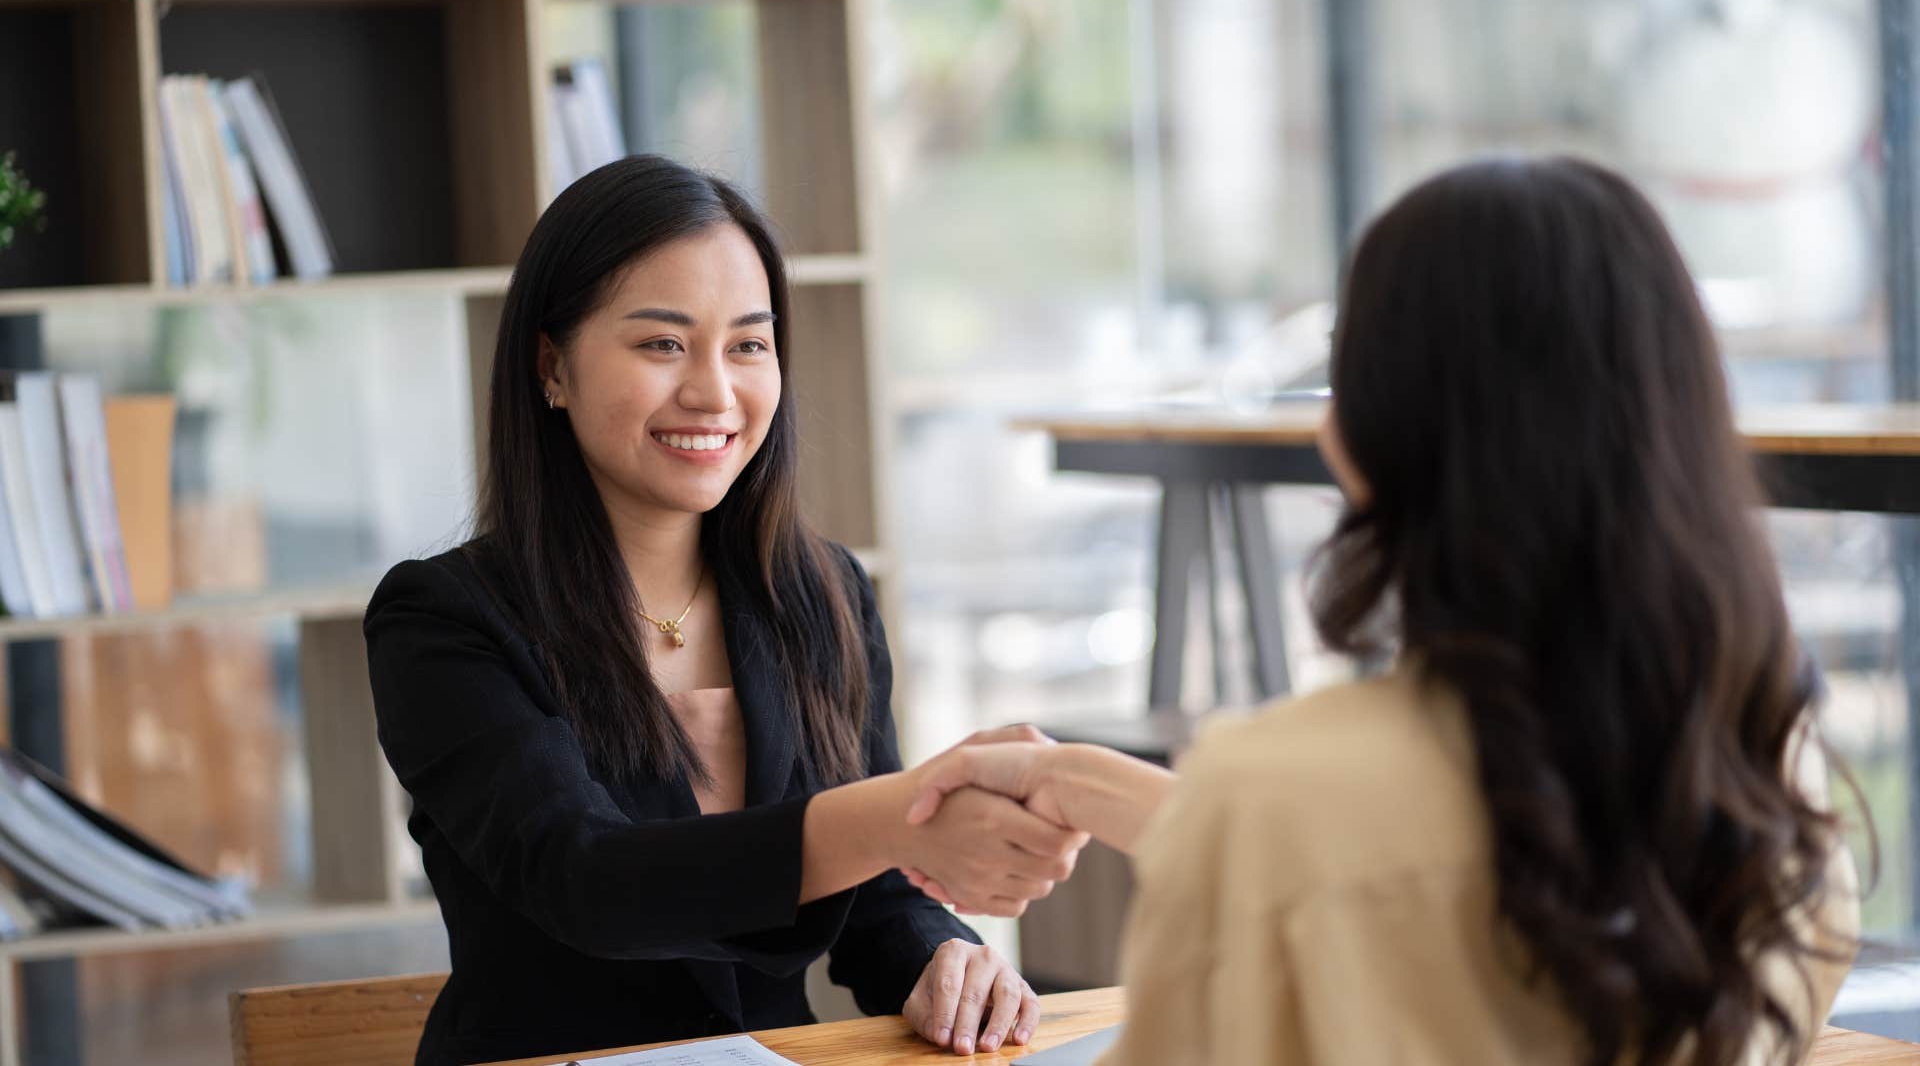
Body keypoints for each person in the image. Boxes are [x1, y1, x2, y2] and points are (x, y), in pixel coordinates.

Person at [906, 156, 1863, 1065]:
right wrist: (1081, 781)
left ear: (1361, 438)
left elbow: (1339, 849)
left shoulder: (1272, 799)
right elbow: (1464, 849)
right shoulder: (1766, 766)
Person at [364, 155, 1085, 1066]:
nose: (714, 392)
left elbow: (874, 899)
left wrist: (946, 957)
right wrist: (901, 813)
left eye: (748, 344)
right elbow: (588, 882)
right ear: (552, 366)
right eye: (662, 344)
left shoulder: (820, 592)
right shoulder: (443, 620)